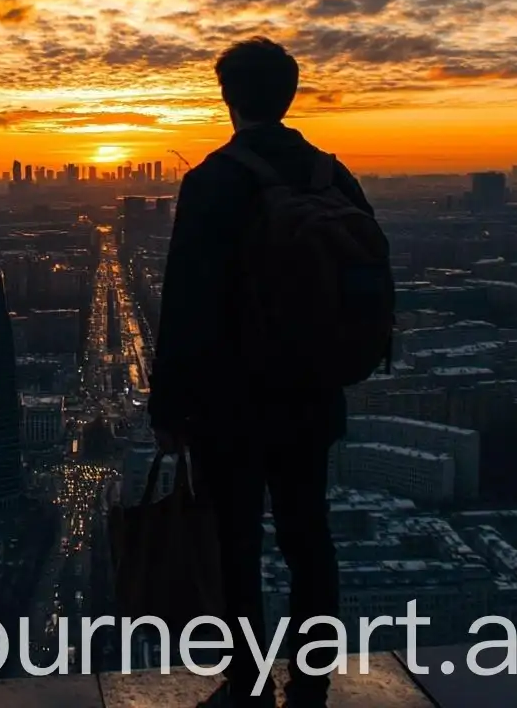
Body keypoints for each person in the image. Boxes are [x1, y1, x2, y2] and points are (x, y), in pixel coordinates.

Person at [148, 38, 384, 708]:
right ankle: (313, 681)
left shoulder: (216, 179)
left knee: (236, 540)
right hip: (312, 394)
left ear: (228, 97)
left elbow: (187, 302)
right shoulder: (331, 175)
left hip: (233, 402)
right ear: (289, 92)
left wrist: (168, 409)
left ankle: (246, 680)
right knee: (309, 535)